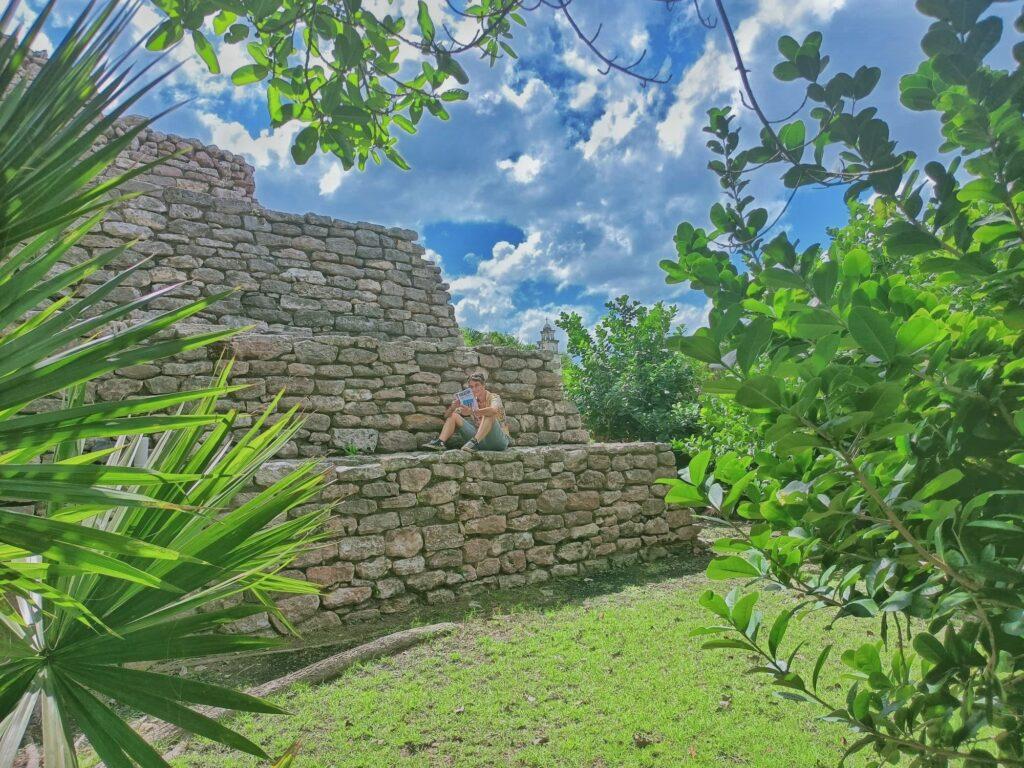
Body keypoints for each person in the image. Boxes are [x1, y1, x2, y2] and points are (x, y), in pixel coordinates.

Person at [423, 372, 510, 452]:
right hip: (480, 440)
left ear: (483, 385)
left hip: (498, 441)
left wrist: (472, 412)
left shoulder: (494, 397)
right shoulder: (470, 400)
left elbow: (493, 410)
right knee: (454, 415)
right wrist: (452, 407)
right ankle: (440, 442)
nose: (474, 389)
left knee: (489, 413)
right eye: (471, 387)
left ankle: (473, 443)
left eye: (477, 385)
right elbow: (447, 416)